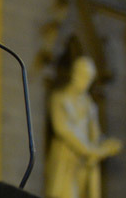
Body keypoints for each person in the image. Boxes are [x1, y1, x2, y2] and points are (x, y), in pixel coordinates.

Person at [46, 56, 122, 198]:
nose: (85, 82)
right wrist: (90, 151)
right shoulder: (59, 98)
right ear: (74, 74)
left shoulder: (89, 105)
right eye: (83, 76)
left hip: (84, 165)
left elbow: (95, 134)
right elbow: (62, 129)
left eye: (89, 79)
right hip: (66, 161)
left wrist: (107, 144)